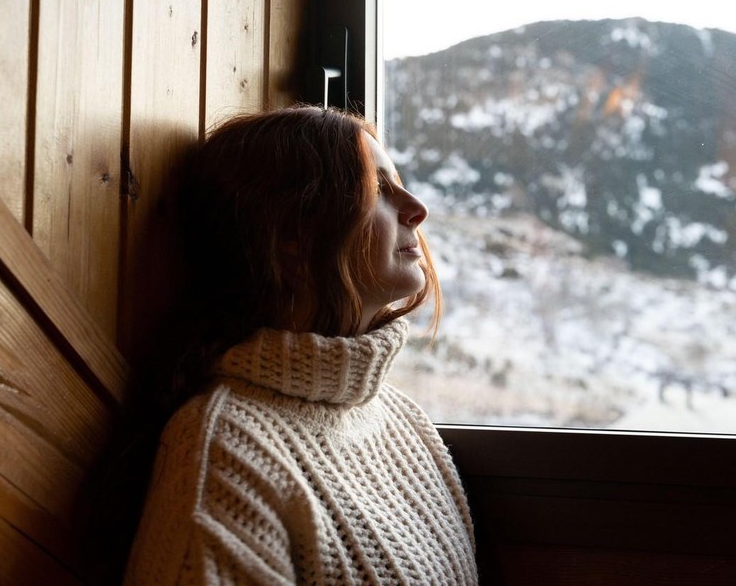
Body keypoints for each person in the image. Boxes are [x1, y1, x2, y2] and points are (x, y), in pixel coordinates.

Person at [125, 105, 478, 584]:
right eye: (379, 190)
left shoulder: (399, 419)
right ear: (290, 237)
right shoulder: (226, 455)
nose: (418, 209)